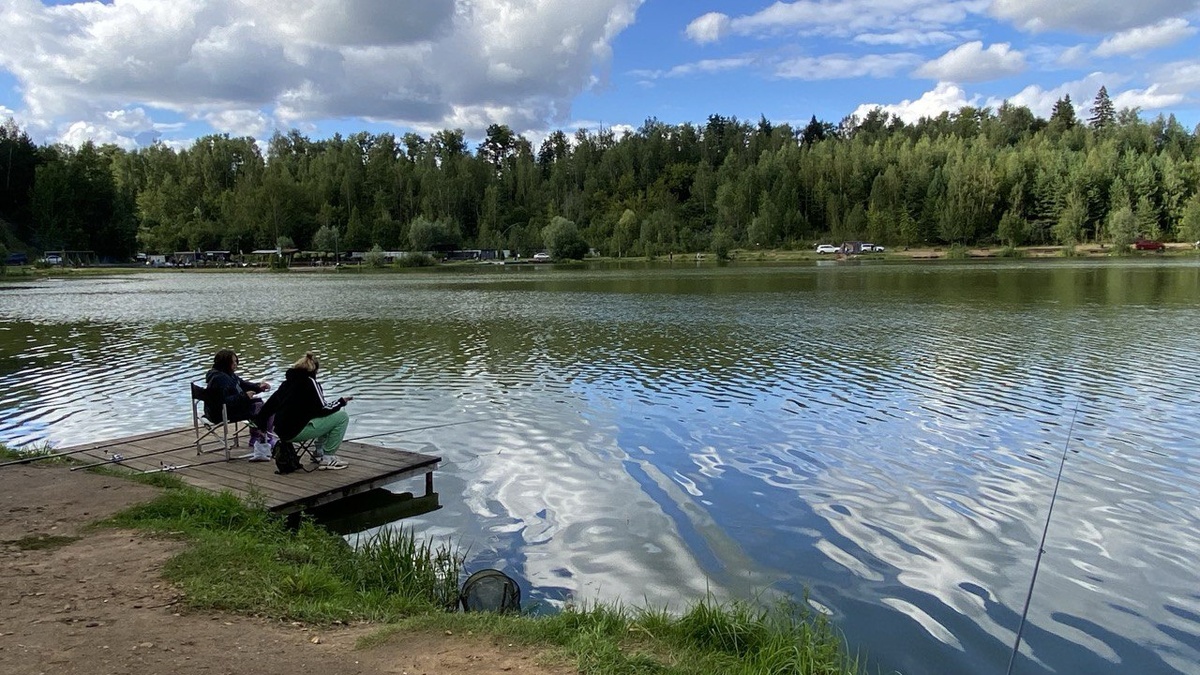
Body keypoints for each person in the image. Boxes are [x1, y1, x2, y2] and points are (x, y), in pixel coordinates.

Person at [255, 351, 353, 470]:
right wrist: (341, 401)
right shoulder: (311, 383)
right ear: (315, 370)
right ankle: (328, 458)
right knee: (341, 416)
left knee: (327, 416)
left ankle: (319, 452)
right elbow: (323, 409)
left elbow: (268, 407)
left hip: (282, 432)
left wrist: (262, 427)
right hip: (296, 432)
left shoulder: (286, 384)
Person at [204, 349, 276, 461]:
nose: (236, 364)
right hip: (220, 413)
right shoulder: (220, 379)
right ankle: (265, 437)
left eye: (236, 361)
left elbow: (242, 384)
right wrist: (244, 396)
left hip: (229, 408)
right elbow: (222, 401)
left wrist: (258, 387)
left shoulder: (227, 374)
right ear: (225, 363)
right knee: (266, 409)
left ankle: (256, 437)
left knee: (259, 404)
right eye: (233, 362)